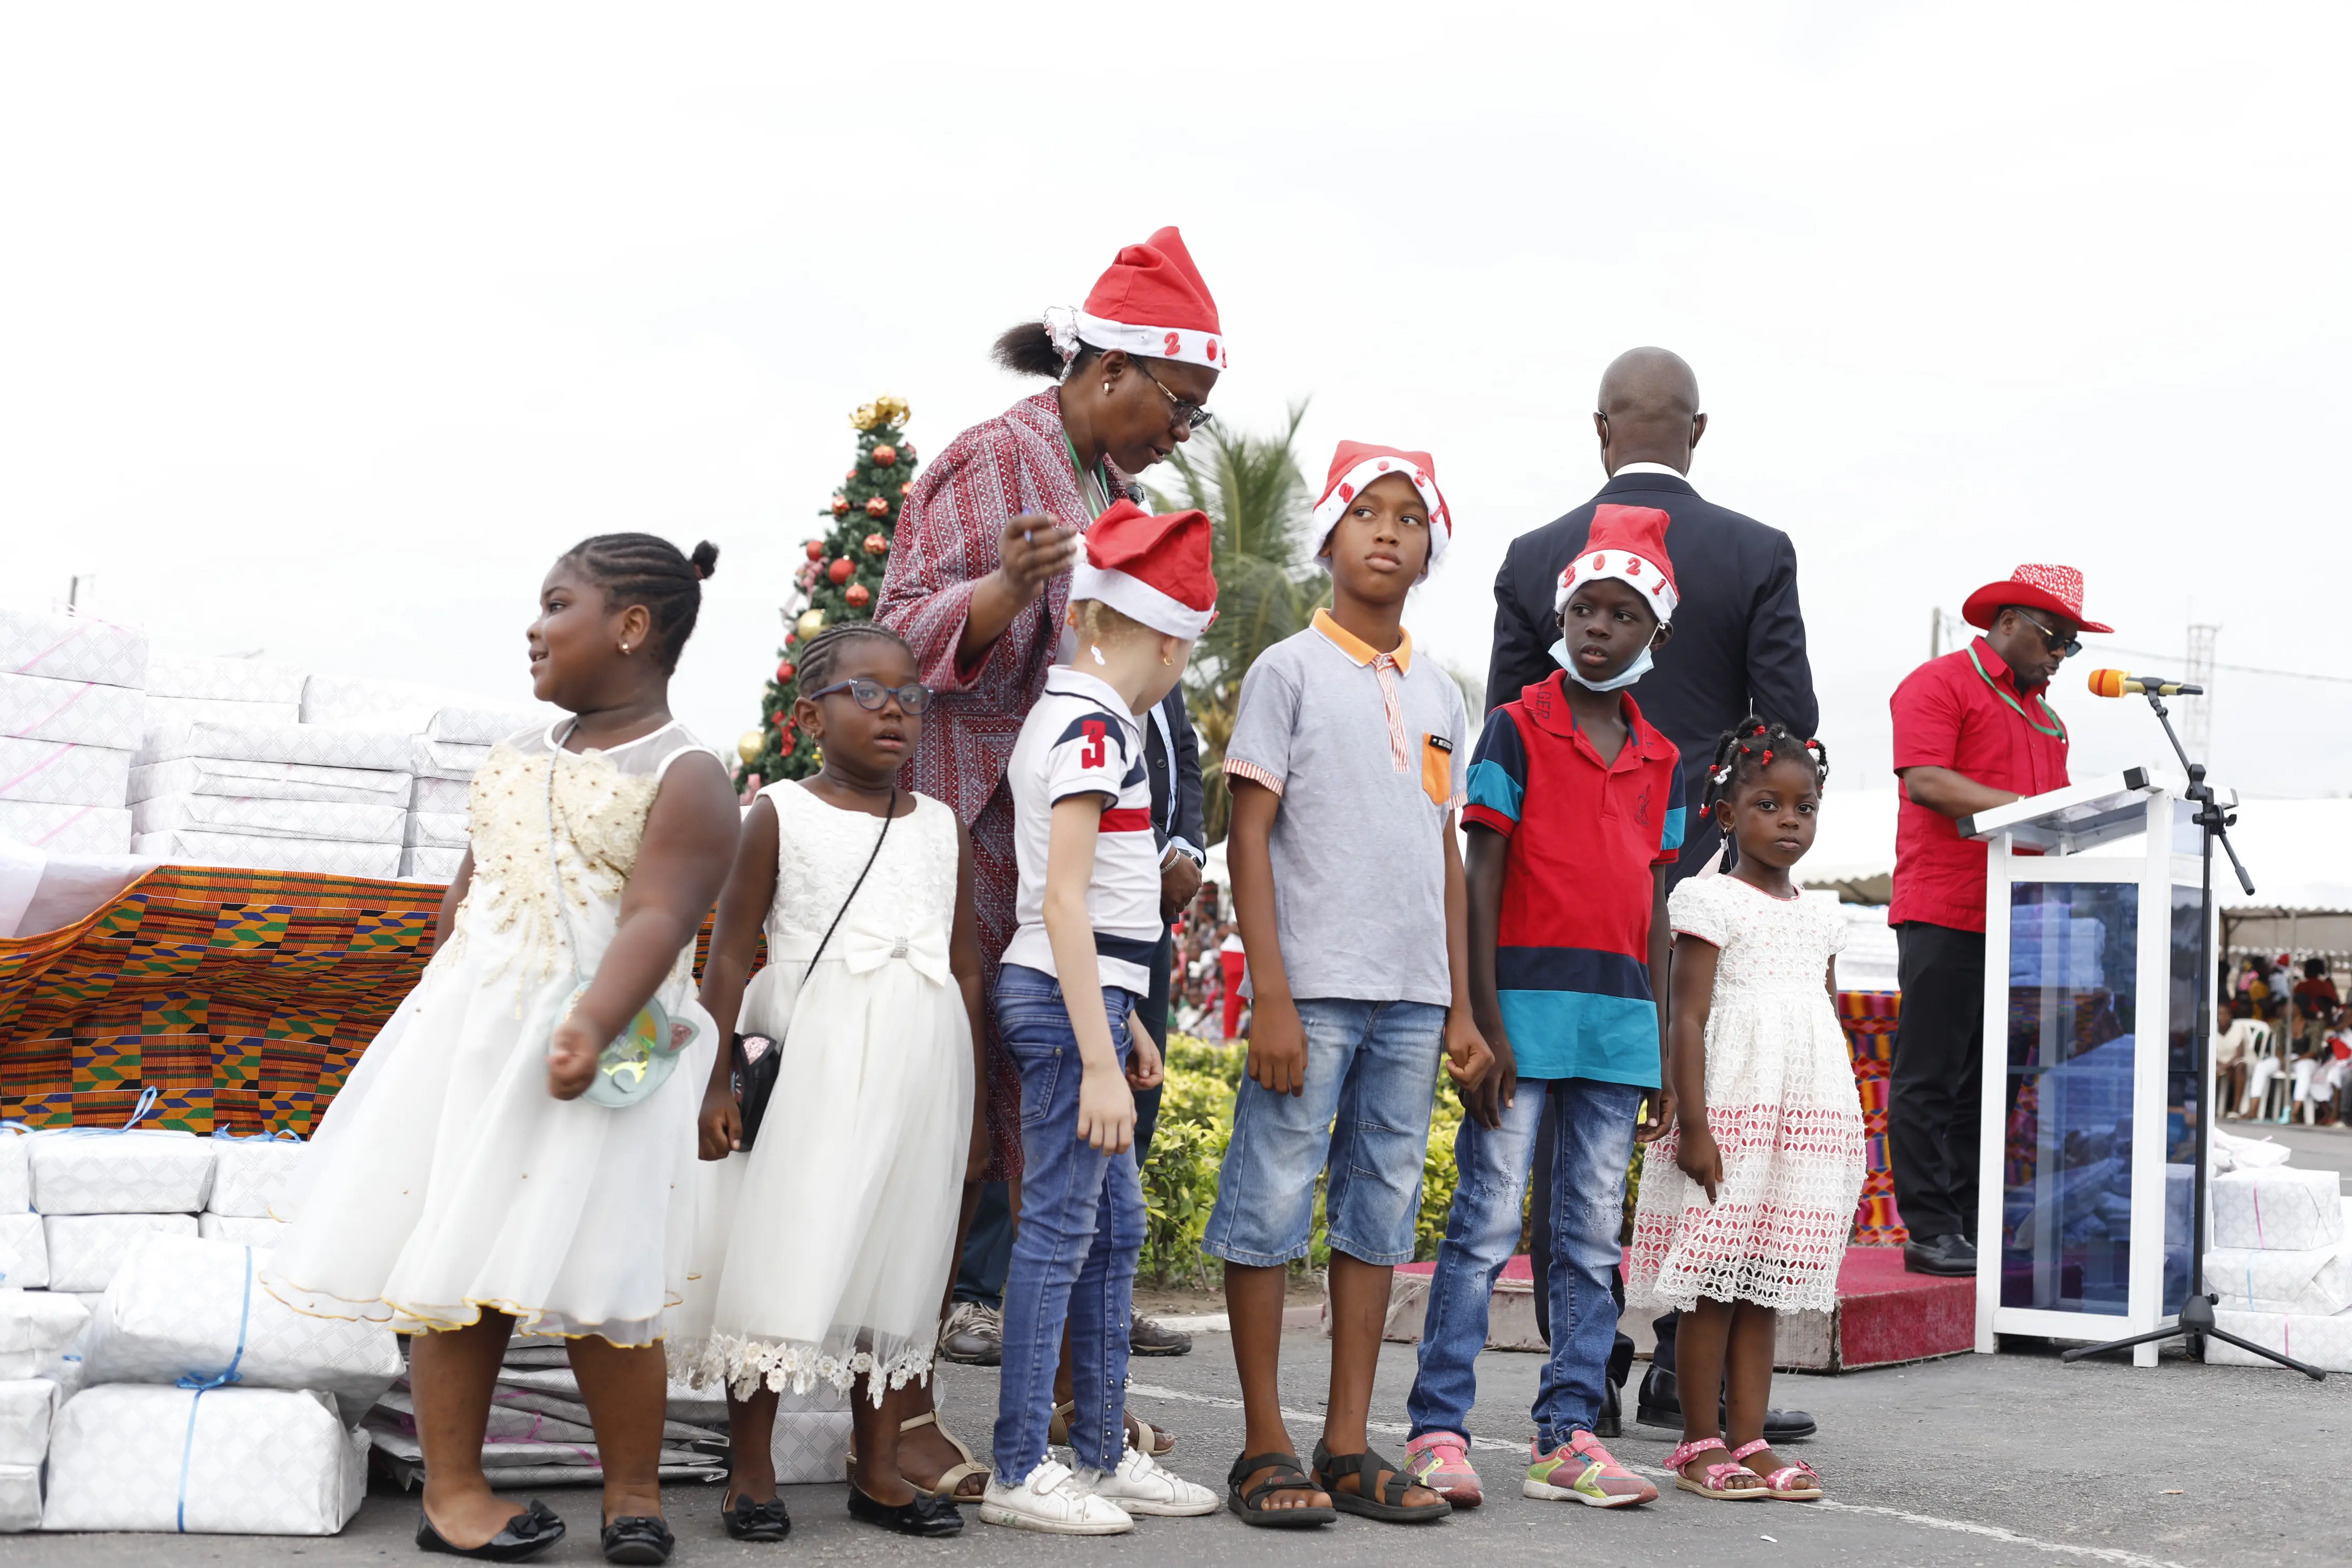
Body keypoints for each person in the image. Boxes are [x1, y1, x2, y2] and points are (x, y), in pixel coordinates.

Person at [264, 535, 738, 1565]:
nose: (534, 624)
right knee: (456, 1257)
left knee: (606, 1271)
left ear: (631, 628)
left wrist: (590, 1025)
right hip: (481, 1034)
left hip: (611, 1046)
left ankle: (634, 1491)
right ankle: (454, 1491)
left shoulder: (690, 772)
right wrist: (442, 998)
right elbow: (469, 892)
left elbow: (661, 915)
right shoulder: (518, 757)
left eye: (557, 604)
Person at [884, 227, 1222, 1419]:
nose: (1181, 433)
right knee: (954, 1127)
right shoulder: (994, 460)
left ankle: (1080, 1394)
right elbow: (894, 636)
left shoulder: (1111, 494)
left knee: (1053, 1128)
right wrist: (1002, 592)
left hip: (1070, 840)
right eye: (1179, 406)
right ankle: (913, 1406)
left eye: (1196, 416)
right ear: (1108, 371)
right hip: (975, 833)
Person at [1487, 348, 1819, 1442]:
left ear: (1600, 431)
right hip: (1705, 891)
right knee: (1695, 1118)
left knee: (1570, 1147)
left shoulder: (1536, 557)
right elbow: (1788, 726)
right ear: (1699, 430)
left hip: (1555, 904)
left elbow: (1506, 729)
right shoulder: (1758, 553)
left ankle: (1589, 1368)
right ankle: (1688, 1371)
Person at [1207, 444, 1488, 1527]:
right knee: (1271, 1201)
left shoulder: (1440, 694)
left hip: (1415, 1000)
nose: (1386, 530)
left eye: (1408, 517)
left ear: (1431, 548)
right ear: (1328, 536)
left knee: (1380, 1212)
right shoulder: (1287, 670)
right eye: (1365, 513)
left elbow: (1445, 852)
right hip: (1312, 992)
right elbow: (1249, 834)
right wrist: (1270, 992)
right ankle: (1265, 1441)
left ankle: (1345, 1442)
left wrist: (1461, 1006)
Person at [677, 622, 986, 1540]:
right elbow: (729, 955)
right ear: (810, 712)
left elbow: (966, 968)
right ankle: (751, 1468)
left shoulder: (941, 829)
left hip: (918, 1072)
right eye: (867, 691)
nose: (893, 708)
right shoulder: (776, 812)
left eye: (908, 694)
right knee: (786, 1251)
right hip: (814, 1065)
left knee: (895, 1264)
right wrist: (712, 1081)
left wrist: (968, 1109)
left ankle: (879, 1463)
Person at [1402, 505, 1679, 1513]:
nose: (1597, 628)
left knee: (1588, 1241)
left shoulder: (1664, 761)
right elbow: (1481, 877)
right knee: (1481, 1224)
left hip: (1614, 1029)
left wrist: (1651, 1044)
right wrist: (1481, 1017)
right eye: (1583, 609)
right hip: (1518, 1015)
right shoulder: (1514, 729)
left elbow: (1654, 903)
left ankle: (1565, 1433)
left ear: (1656, 633)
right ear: (1561, 618)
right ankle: (1436, 1426)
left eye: (1620, 613)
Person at [983, 499, 1222, 1534]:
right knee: (1060, 1236)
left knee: (1113, 1226)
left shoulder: (1093, 719)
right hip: (1060, 1006)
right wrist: (1093, 1054)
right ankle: (1019, 1465)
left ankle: (1098, 1449)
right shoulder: (1089, 727)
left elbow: (1099, 907)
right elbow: (1063, 899)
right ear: (1169, 642)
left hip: (1087, 1003)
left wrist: (1120, 1021)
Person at [1629, 718, 1863, 1502]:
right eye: (1768, 804)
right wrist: (1692, 1124)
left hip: (1799, 1121)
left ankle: (1752, 1437)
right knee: (1715, 1286)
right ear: (1727, 816)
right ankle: (1700, 1442)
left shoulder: (1824, 915)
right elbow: (1687, 1015)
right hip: (1729, 1112)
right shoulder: (1706, 899)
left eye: (1805, 807)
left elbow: (1820, 1019)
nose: (1789, 821)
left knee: (1763, 1285)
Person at [1887, 564, 2104, 1276]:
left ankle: (1971, 1217)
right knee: (1932, 1074)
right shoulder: (1940, 684)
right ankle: (1929, 1225)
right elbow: (1926, 781)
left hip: (2023, 922)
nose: (2062, 655)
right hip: (1946, 910)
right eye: (2054, 637)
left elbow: (2059, 820)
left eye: (2072, 645)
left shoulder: (2049, 719)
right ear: (2006, 622)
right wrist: (2024, 809)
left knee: (1994, 1080)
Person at [2213, 999, 2272, 1119]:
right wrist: (2220, 1066)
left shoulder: (2238, 1027)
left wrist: (2223, 1067)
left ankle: (2236, 1109)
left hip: (2242, 1062)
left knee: (2240, 1066)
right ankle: (2211, 1107)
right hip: (2221, 1063)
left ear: (2231, 1016)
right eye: (2220, 1014)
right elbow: (2210, 1053)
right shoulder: (2211, 1028)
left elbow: (2240, 1054)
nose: (2223, 1017)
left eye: (2226, 1014)